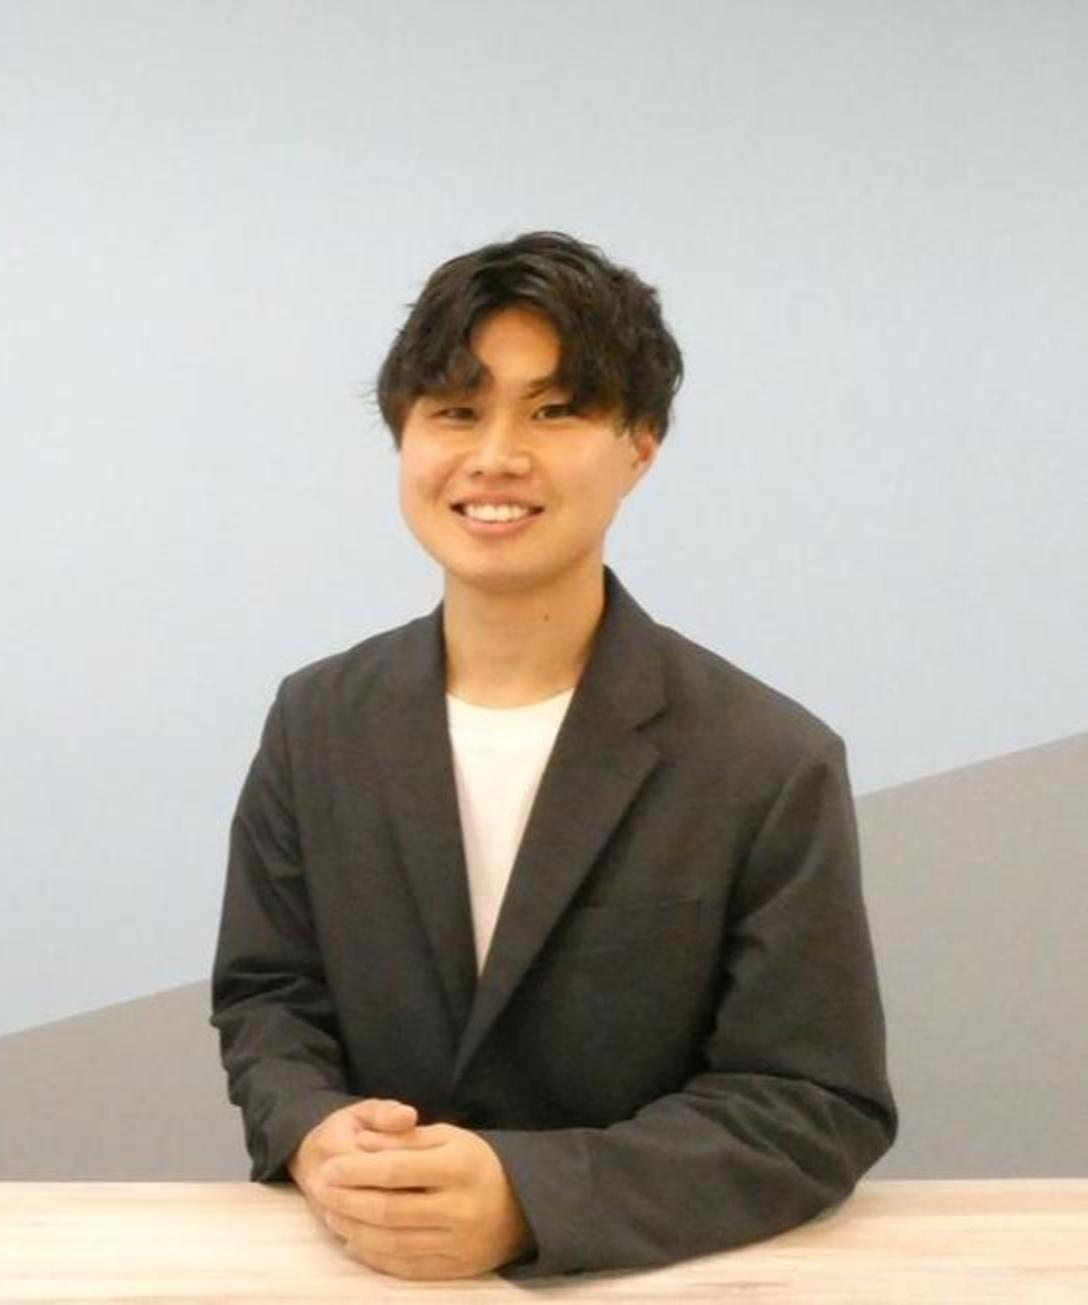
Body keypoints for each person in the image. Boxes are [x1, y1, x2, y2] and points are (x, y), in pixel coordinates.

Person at [210, 231, 895, 1279]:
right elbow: (268, 995)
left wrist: (531, 1198)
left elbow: (812, 1100)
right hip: (361, 1271)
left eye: (555, 410)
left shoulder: (766, 760)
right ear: (403, 436)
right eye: (455, 411)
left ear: (641, 446)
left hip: (645, 1280)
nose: (495, 456)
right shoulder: (317, 722)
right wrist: (314, 1130)